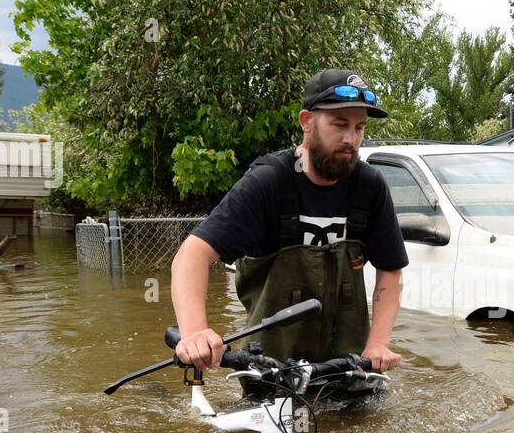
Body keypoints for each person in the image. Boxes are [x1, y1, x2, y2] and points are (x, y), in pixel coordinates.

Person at [170, 68, 408, 378]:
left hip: (350, 370)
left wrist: (377, 345)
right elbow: (193, 255)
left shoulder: (370, 186)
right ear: (307, 121)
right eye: (339, 124)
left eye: (359, 127)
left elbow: (391, 270)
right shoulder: (267, 183)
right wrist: (195, 332)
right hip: (269, 372)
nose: (351, 138)